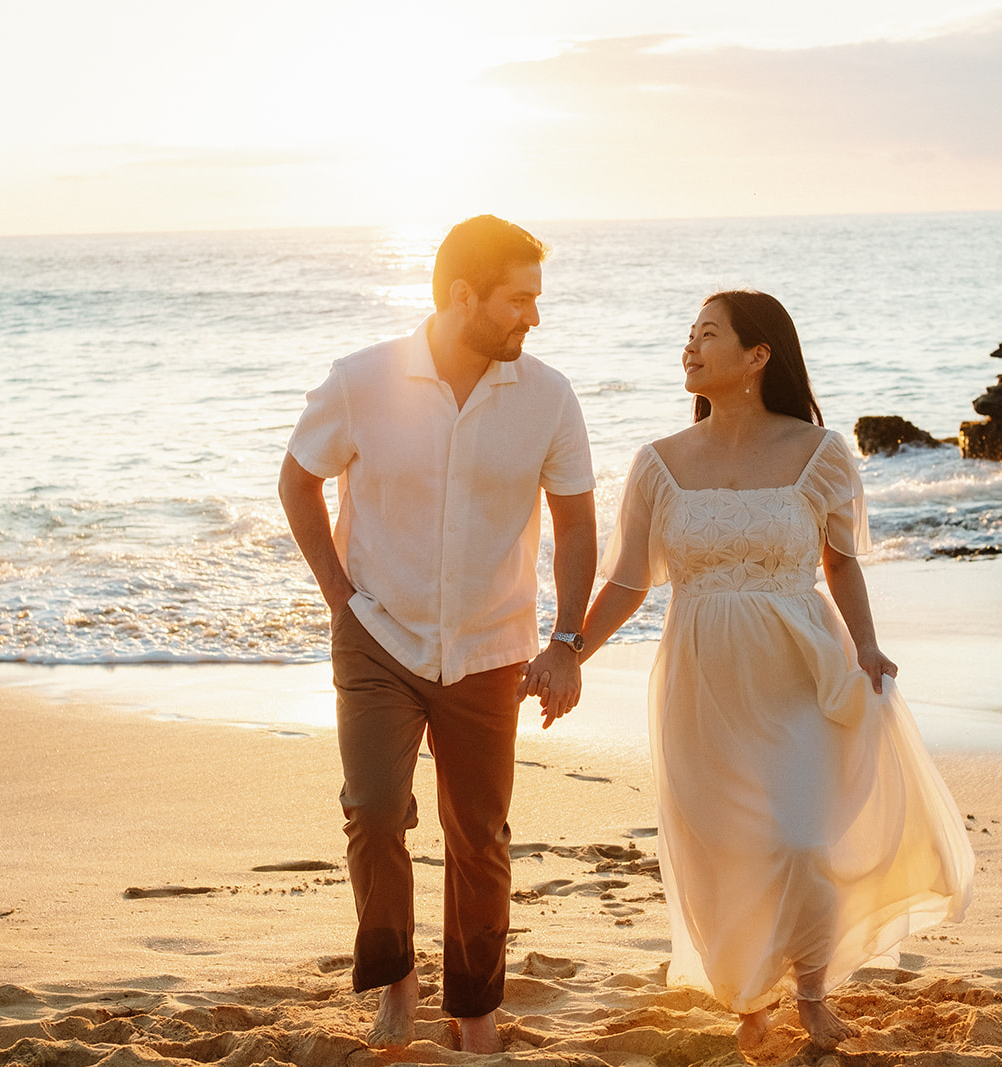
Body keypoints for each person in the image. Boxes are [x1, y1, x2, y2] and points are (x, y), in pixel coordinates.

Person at [578, 290, 974, 1052]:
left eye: (709, 335)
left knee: (800, 837)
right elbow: (627, 581)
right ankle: (751, 994)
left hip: (800, 664)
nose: (690, 347)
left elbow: (841, 563)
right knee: (725, 845)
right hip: (702, 676)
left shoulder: (819, 452)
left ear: (758, 356)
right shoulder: (658, 464)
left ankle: (813, 985)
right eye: (688, 334)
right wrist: (571, 650)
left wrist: (865, 644)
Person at [277, 215, 597, 1054]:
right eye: (519, 299)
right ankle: (395, 982)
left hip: (492, 649)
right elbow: (298, 479)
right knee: (375, 812)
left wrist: (567, 637)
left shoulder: (549, 396)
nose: (533, 317)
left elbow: (576, 519)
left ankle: (475, 1007)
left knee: (479, 834)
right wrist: (339, 598)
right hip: (377, 633)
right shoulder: (363, 381)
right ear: (464, 296)